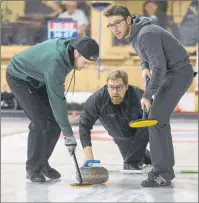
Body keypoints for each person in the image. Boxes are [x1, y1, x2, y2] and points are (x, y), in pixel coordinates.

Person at [103, 4, 196, 187]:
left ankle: (162, 173)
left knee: (155, 119)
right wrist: (144, 66)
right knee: (158, 120)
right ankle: (165, 170)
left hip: (177, 73)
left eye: (117, 23)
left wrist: (147, 94)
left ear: (128, 20)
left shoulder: (146, 34)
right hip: (172, 73)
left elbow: (159, 67)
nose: (114, 29)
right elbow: (148, 56)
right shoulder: (135, 34)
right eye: (110, 25)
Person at [6, 36, 99, 182]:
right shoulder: (55, 63)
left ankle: (42, 163)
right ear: (77, 53)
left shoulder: (70, 52)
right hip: (19, 77)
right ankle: (32, 169)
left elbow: (57, 99)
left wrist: (64, 127)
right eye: (86, 62)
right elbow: (58, 100)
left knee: (55, 121)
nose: (85, 67)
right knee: (40, 121)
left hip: (39, 78)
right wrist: (68, 135)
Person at [79, 70, 151, 171]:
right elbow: (84, 126)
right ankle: (147, 157)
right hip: (119, 135)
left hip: (138, 133)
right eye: (111, 87)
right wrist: (88, 155)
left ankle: (136, 159)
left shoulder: (139, 96)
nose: (115, 92)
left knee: (131, 163)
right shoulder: (97, 100)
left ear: (126, 86)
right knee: (138, 157)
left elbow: (156, 121)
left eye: (119, 87)